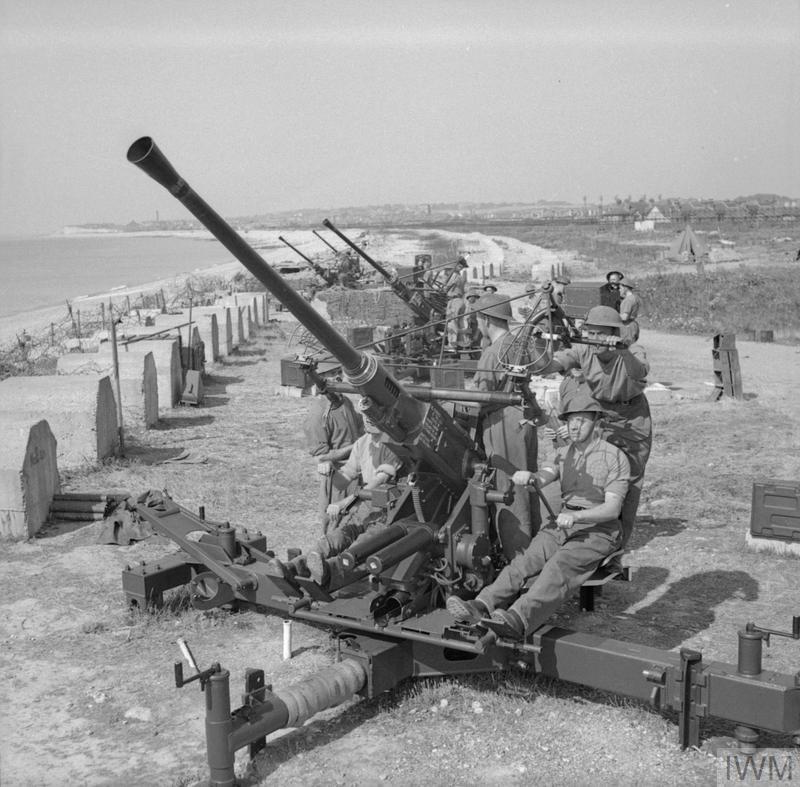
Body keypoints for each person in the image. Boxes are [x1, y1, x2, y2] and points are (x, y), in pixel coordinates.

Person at [446, 386, 630, 641]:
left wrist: (578, 517)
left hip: (599, 530)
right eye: (571, 420)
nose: (575, 426)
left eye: (582, 420)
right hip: (564, 523)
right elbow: (545, 475)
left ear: (596, 422)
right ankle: (482, 604)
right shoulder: (565, 453)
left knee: (559, 566)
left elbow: (613, 509)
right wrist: (530, 477)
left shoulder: (615, 457)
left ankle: (518, 619)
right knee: (525, 560)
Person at [541, 305, 651, 548]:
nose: (596, 340)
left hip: (632, 419)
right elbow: (554, 364)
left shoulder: (633, 351)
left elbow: (640, 370)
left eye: (602, 334)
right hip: (601, 416)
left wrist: (622, 350)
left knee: (629, 483)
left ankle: (618, 544)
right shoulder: (584, 349)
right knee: (594, 473)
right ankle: (592, 537)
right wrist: (538, 350)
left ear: (615, 332)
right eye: (591, 333)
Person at [275, 405, 404, 587]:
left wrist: (345, 502)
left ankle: (329, 573)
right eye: (365, 414)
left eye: (373, 414)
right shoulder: (363, 443)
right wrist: (330, 471)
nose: (368, 418)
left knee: (361, 546)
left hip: (389, 511)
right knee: (338, 537)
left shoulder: (394, 446)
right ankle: (296, 567)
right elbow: (346, 477)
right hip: (366, 506)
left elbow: (378, 483)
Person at [473, 293, 540, 553]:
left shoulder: (492, 353)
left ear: (486, 320)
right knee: (526, 483)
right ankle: (532, 548)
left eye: (478, 319)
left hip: (502, 424)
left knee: (509, 489)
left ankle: (518, 558)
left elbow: (480, 400)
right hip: (521, 420)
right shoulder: (518, 344)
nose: (477, 325)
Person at [303, 389, 364, 533]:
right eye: (332, 374)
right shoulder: (318, 413)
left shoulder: (345, 401)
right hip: (337, 478)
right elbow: (321, 457)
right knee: (335, 525)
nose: (337, 379)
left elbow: (359, 425)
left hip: (358, 471)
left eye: (338, 372)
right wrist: (355, 447)